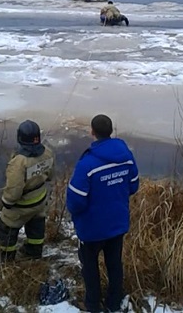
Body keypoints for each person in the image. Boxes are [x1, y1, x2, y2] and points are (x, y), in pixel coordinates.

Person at [66, 114, 139, 313]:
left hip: (92, 228)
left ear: (92, 132)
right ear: (111, 131)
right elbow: (134, 185)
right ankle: (113, 303)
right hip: (117, 224)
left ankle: (92, 305)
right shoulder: (126, 156)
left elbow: (75, 201)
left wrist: (79, 216)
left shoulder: (87, 164)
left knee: (89, 266)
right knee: (114, 263)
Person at [0, 120, 55, 263]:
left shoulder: (19, 162)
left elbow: (14, 189)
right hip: (40, 201)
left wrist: (7, 202)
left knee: (5, 227)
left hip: (21, 206)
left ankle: (5, 259)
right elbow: (50, 175)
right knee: (36, 228)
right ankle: (33, 253)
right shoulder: (48, 152)